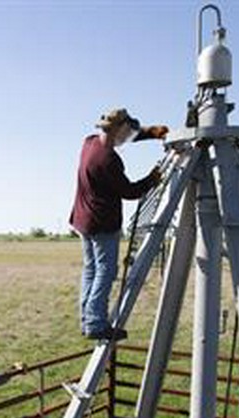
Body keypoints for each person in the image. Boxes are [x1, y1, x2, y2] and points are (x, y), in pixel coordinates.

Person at [69, 108, 169, 340]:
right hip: (102, 223)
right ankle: (95, 323)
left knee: (91, 270)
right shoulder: (109, 160)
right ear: (119, 130)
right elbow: (130, 191)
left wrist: (151, 133)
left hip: (83, 220)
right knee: (106, 272)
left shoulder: (90, 143)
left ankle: (88, 319)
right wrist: (152, 179)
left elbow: (125, 136)